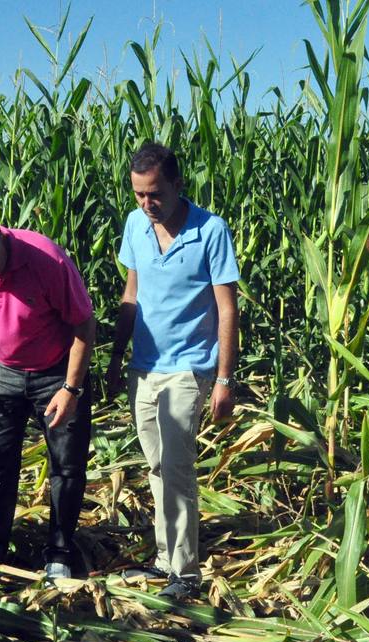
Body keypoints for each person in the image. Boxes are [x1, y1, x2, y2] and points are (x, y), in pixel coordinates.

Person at [107, 143, 240, 600]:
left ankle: (185, 571)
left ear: (178, 185)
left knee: (178, 467)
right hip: (143, 367)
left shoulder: (210, 230)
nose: (147, 204)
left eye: (156, 194)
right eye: (139, 195)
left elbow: (227, 308)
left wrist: (224, 379)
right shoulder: (135, 226)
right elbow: (132, 293)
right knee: (157, 466)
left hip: (189, 368)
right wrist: (115, 357)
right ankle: (164, 561)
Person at [0, 209, 95, 586]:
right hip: (3, 372)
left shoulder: (45, 259)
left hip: (56, 371)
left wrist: (71, 388)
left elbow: (83, 322)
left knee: (66, 466)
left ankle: (58, 554)